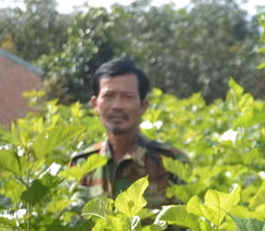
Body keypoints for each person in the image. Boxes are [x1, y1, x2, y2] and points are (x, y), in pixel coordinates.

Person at [71, 56, 186, 211]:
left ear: (143, 106)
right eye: (109, 96)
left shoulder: (170, 161)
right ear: (95, 104)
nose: (117, 105)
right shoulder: (82, 164)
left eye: (127, 96)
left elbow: (189, 229)